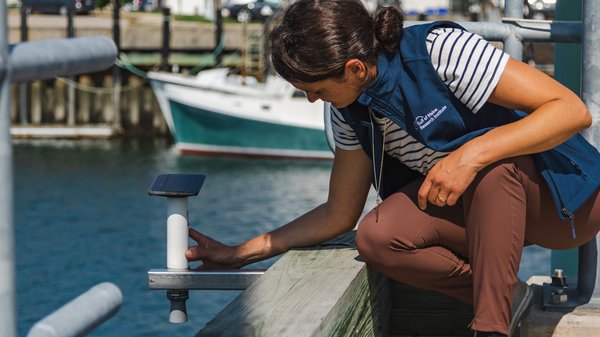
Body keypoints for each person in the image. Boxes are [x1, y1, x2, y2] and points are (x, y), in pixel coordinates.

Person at [185, 0, 600, 336]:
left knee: (490, 170)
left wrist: (468, 156)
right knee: (377, 236)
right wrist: (243, 252)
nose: (314, 101)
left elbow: (571, 111)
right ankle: (505, 296)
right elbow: (339, 214)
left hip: (564, 205)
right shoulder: (348, 108)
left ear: (354, 68)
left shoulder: (438, 51)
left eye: (316, 90)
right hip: (482, 220)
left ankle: (490, 329)